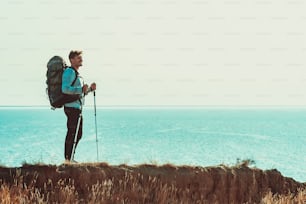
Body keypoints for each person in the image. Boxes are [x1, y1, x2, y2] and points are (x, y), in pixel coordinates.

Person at [62, 50, 96, 163]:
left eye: (81, 58)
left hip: (76, 108)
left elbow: (80, 93)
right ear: (71, 60)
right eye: (78, 58)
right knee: (73, 132)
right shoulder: (69, 72)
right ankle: (68, 159)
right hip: (71, 108)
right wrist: (80, 89)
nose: (80, 59)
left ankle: (70, 157)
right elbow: (65, 89)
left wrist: (90, 89)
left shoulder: (77, 75)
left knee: (78, 133)